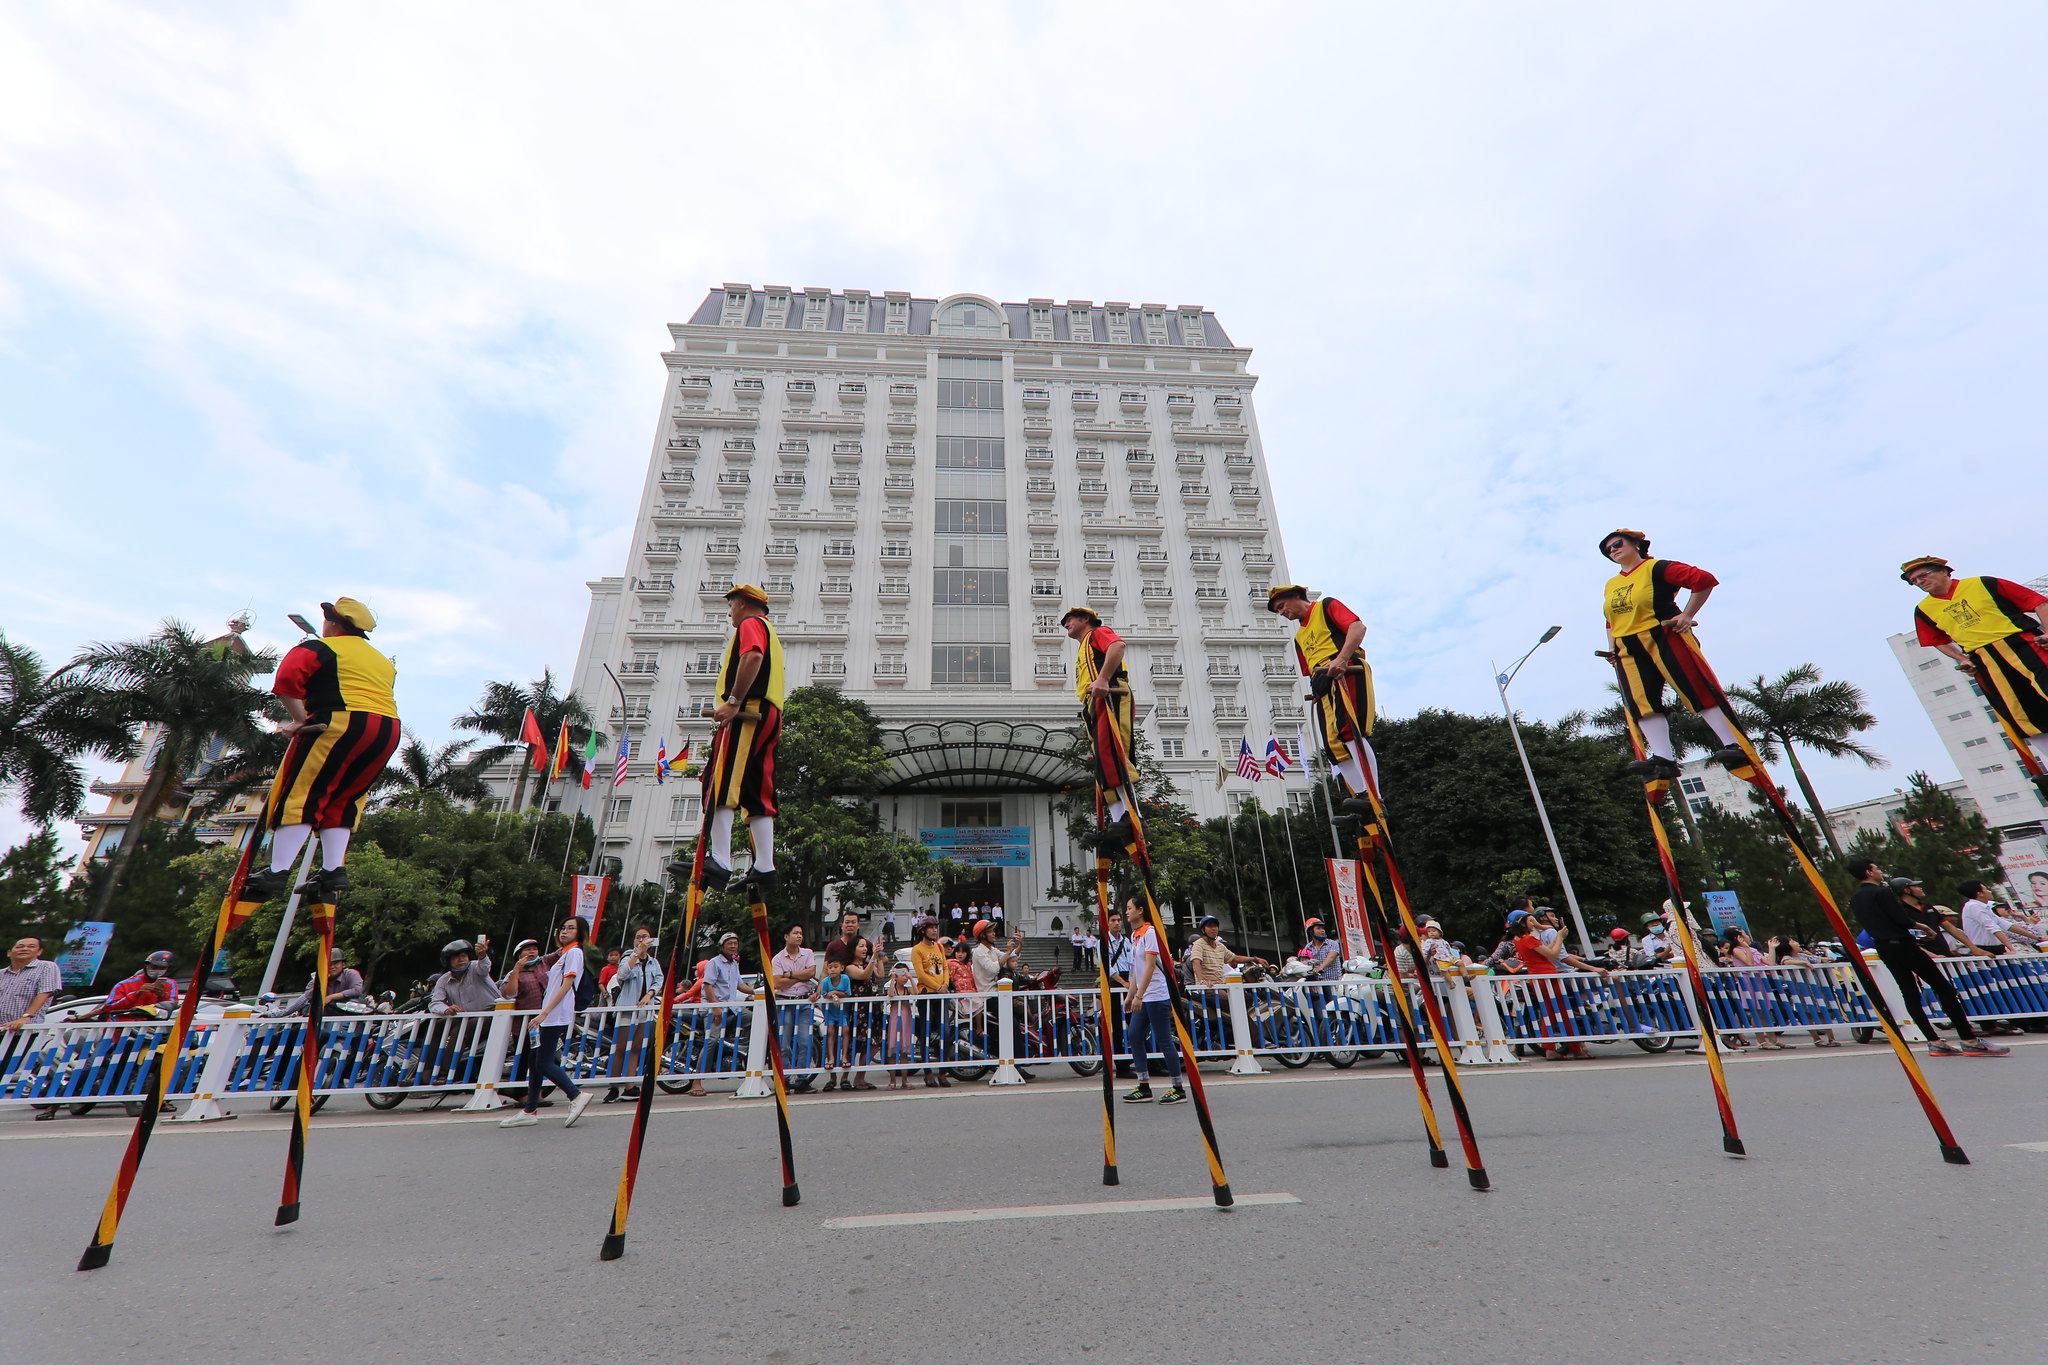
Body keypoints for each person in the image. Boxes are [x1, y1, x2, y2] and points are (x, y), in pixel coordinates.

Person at [244, 597, 402, 900]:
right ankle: (332, 871)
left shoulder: (319, 647)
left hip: (341, 723)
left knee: (304, 793)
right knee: (345, 798)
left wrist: (299, 721)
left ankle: (277, 872)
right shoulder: (382, 661)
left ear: (332, 623)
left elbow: (286, 682)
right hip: (387, 731)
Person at [1594, 531, 1752, 783]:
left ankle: (1733, 745)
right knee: (1641, 703)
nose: (1612, 550)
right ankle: (1664, 759)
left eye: (1616, 544)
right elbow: (1611, 620)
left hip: (1664, 635)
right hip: (1628, 648)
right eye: (1607, 550)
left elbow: (1704, 580)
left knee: (1695, 688)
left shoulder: (1657, 568)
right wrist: (1612, 649)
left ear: (1636, 544)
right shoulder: (1612, 584)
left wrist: (1687, 615)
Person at [670, 584, 785, 893]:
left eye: (732, 605)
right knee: (755, 789)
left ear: (745, 604)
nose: (730, 611)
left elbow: (752, 658)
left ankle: (720, 860)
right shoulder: (770, 630)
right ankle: (765, 866)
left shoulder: (751, 624)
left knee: (721, 780)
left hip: (748, 711)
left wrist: (733, 701)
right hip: (768, 713)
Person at [1901, 557, 2048, 799]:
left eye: (1923, 575)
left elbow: (2039, 602)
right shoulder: (1924, 610)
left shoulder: (1983, 583)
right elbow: (1936, 640)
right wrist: (1961, 659)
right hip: (1985, 661)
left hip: (2025, 645)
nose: (1919, 582)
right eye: (1913, 581)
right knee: (2020, 715)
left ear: (1944, 572)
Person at [1848, 860, 2006, 1057]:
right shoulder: (1882, 892)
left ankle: (1934, 1041)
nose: (1879, 871)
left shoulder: (1856, 898)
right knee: (1944, 988)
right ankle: (1969, 1039)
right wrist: (1923, 927)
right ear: (1868, 872)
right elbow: (1901, 920)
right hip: (1903, 944)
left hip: (1884, 947)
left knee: (1909, 992)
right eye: (1876, 868)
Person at [1268, 585, 1375, 815]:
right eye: (1278, 610)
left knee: (1350, 731)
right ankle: (1360, 796)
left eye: (1282, 606)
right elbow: (1310, 670)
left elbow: (1357, 628)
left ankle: (1373, 795)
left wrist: (1342, 659)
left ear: (1296, 596)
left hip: (1346, 671)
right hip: (1323, 684)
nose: (1282, 612)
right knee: (1332, 745)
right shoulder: (1299, 637)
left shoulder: (1325, 607)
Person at [500, 917, 594, 1127]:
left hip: (554, 1016)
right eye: (563, 928)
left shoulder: (574, 953)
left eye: (571, 928)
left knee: (542, 1062)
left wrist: (545, 1013)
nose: (564, 931)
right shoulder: (564, 954)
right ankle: (530, 1110)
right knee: (534, 1061)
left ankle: (576, 1095)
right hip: (549, 1016)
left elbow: (567, 984)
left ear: (580, 933)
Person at [1122, 910, 1186, 1105]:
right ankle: (1143, 1085)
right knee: (1134, 1035)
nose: (1127, 912)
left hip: (1156, 995)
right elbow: (1136, 970)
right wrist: (1129, 996)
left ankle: (1178, 1088)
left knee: (1164, 1040)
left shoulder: (1151, 933)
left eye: (1130, 908)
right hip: (1142, 996)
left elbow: (1150, 966)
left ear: (1140, 911)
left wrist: (1139, 995)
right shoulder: (1134, 935)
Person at [1511, 910, 1595, 1060]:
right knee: (1563, 1012)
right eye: (1530, 921)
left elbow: (1546, 950)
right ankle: (1576, 1049)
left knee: (1549, 1014)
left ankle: (1551, 1049)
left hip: (1538, 978)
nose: (1534, 924)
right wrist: (1560, 938)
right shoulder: (1529, 939)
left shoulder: (1518, 940)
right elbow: (1554, 954)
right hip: (1547, 977)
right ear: (1522, 924)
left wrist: (1553, 937)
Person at [603, 926, 665, 1102]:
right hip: (628, 1009)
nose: (641, 940)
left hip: (645, 1009)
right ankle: (614, 1086)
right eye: (638, 937)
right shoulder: (628, 958)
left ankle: (629, 1086)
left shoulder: (654, 962)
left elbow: (659, 979)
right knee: (621, 1047)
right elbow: (622, 975)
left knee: (636, 1047)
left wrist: (650, 994)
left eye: (645, 937)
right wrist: (637, 953)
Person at [694, 932, 745, 1097]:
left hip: (730, 1008)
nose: (733, 946)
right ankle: (697, 1082)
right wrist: (715, 1007)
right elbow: (707, 986)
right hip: (713, 1009)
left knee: (752, 1020)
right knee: (712, 1041)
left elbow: (741, 986)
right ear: (722, 946)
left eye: (735, 943)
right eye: (729, 943)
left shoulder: (734, 965)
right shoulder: (714, 963)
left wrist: (761, 992)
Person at [770, 923, 818, 1091]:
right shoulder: (777, 959)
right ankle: (785, 1078)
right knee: (784, 1044)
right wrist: (801, 977)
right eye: (795, 933)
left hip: (803, 1002)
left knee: (805, 1041)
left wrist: (790, 975)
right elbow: (778, 983)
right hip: (785, 1002)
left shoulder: (808, 953)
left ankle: (803, 1079)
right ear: (786, 936)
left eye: (801, 933)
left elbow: (811, 973)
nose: (799, 936)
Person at [908, 915, 952, 1088]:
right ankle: (928, 1073)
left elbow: (945, 967)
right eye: (931, 927)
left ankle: (943, 1072)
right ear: (923, 930)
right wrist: (937, 986)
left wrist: (945, 984)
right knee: (926, 1034)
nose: (934, 930)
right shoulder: (917, 949)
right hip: (927, 995)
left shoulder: (939, 947)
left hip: (942, 994)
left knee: (946, 1033)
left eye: (936, 927)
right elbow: (921, 975)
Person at [1771, 937, 1839, 1047]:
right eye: (1792, 941)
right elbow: (1786, 962)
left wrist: (1826, 959)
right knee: (1807, 1014)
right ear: (1787, 947)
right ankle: (1816, 1038)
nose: (1797, 943)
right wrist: (1803, 963)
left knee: (1822, 1012)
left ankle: (1831, 1038)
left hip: (1816, 988)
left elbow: (1816, 959)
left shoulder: (1803, 955)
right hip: (1802, 990)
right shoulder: (1787, 957)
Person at [1, 935, 62, 1033]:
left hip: (26, 1031)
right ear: (9, 953)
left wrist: (25, 1018)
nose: (25, 949)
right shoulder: (1, 973)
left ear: (39, 952)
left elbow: (45, 993)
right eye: (20, 946)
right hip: (3, 1029)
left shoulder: (47, 966)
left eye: (31, 946)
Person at [817, 957, 853, 1091]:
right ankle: (831, 1058)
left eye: (835, 966)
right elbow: (825, 994)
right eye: (830, 967)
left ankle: (844, 1056)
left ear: (841, 968)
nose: (832, 969)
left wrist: (835, 993)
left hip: (842, 1012)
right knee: (831, 1031)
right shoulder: (826, 981)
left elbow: (847, 994)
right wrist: (832, 995)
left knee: (845, 1031)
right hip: (830, 1012)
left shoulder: (845, 979)